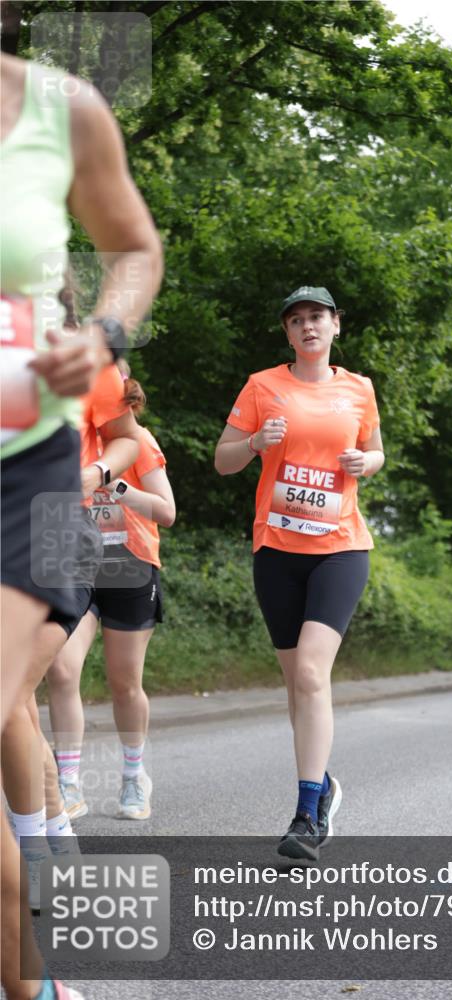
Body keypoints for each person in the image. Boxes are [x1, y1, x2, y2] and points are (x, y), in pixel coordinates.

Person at [1, 33, 162, 1000]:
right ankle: (38, 897)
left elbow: (136, 451)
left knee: (54, 669)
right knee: (25, 687)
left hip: (45, 489)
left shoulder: (90, 368)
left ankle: (63, 813)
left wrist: (97, 343)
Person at [214, 285, 384, 861]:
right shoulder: (263, 386)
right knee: (297, 684)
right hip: (278, 550)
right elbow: (224, 459)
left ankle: (307, 812)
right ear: (287, 334)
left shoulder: (358, 389)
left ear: (336, 324)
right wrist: (256, 441)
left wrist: (368, 462)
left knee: (311, 672)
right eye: (296, 320)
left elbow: (376, 450)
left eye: (317, 316)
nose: (307, 326)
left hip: (340, 548)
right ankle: (325, 780)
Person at [47, 365, 176, 821]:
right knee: (61, 670)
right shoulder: (68, 434)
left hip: (128, 566)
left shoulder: (135, 441)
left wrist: (113, 484)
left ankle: (133, 775)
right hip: (74, 562)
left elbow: (167, 511)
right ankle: (67, 782)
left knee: (124, 684)